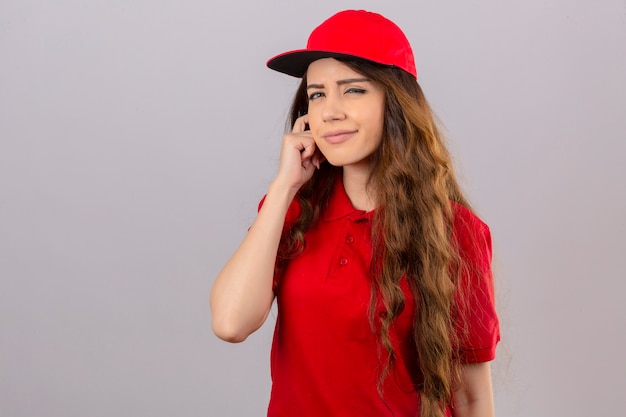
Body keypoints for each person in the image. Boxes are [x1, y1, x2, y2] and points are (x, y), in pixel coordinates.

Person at [210, 9, 500, 417]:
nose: (329, 111)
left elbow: (472, 398)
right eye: (317, 94)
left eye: (353, 90)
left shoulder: (455, 231)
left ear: (395, 102)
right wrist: (283, 187)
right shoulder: (292, 210)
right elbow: (229, 323)